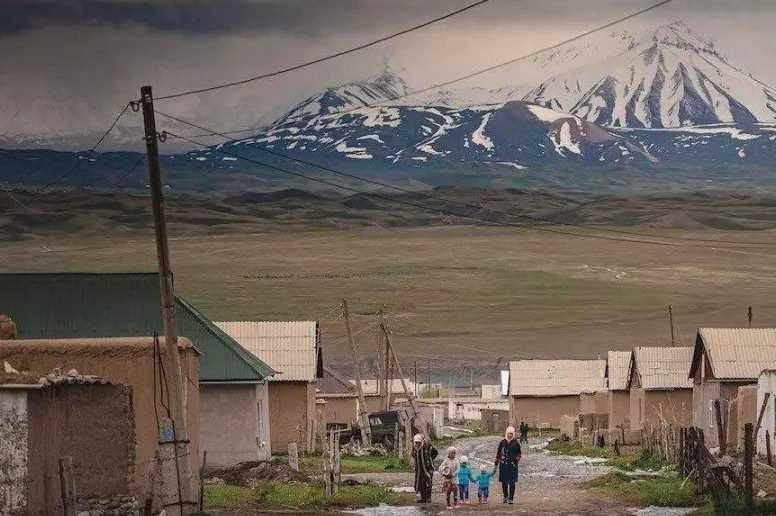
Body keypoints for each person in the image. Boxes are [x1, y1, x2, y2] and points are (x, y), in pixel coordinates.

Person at [494, 425, 521, 504]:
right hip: (503, 466)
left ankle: (511, 499)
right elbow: (498, 454)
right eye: (509, 433)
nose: (510, 435)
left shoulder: (516, 443)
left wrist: (515, 461)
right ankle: (505, 496)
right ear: (506, 433)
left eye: (511, 434)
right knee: (504, 482)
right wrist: (496, 464)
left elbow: (519, 454)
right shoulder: (502, 442)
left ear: (513, 434)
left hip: (512, 466)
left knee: (512, 483)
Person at [412, 433, 437, 504]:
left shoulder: (427, 447)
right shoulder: (415, 449)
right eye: (416, 442)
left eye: (419, 442)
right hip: (419, 470)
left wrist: (430, 459)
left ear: (422, 442)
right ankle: (423, 498)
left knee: (428, 483)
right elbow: (413, 455)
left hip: (428, 470)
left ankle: (428, 498)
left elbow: (435, 452)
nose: (417, 444)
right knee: (421, 484)